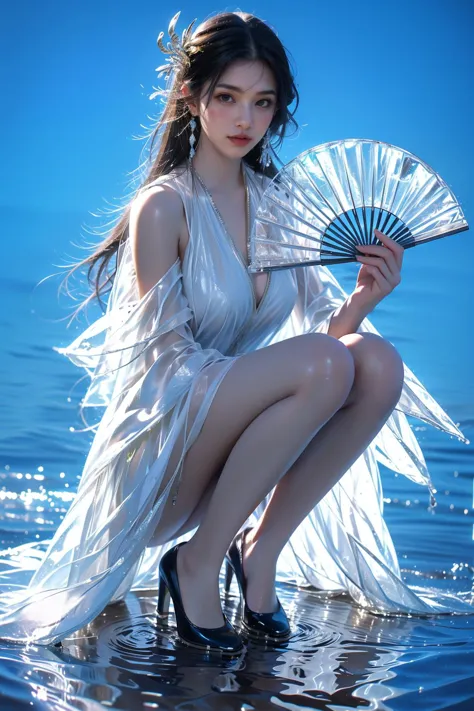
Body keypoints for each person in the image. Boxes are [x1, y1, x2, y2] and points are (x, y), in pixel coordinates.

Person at [0, 10, 469, 652]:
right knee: (328, 363)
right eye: (226, 97)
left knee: (377, 361)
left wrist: (363, 299)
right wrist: (278, 372)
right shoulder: (164, 207)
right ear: (193, 98)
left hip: (242, 454)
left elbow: (324, 345)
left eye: (262, 102)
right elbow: (162, 370)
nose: (244, 120)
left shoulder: (283, 207)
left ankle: (259, 552)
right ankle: (195, 562)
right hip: (164, 454)